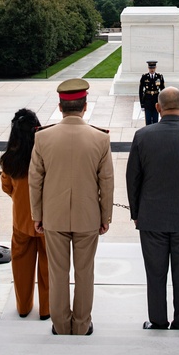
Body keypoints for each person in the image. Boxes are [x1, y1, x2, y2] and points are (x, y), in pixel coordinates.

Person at [29, 78, 115, 336]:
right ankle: (80, 325)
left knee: (58, 274)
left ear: (60, 106)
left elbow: (35, 180)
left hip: (53, 217)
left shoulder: (42, 137)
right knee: (85, 272)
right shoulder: (100, 139)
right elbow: (106, 182)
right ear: (85, 106)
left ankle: (61, 325)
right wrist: (105, 216)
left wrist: (37, 215)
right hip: (88, 216)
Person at [126, 86, 179, 331]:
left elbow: (133, 178)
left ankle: (157, 320)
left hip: (152, 216)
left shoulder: (143, 135)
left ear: (157, 108)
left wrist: (136, 213)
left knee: (155, 274)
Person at [0, 108, 50, 321]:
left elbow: (6, 187)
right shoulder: (46, 154)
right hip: (47, 220)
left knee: (21, 266)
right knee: (48, 267)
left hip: (21, 219)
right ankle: (46, 309)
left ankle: (23, 306)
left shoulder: (9, 158)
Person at [138, 60, 165, 125]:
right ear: (148, 68)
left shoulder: (159, 77)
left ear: (155, 68)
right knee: (148, 120)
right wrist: (142, 104)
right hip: (147, 100)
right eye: (150, 68)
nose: (152, 70)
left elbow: (163, 90)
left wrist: (163, 102)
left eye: (153, 68)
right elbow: (141, 91)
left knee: (155, 120)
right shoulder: (144, 77)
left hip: (156, 100)